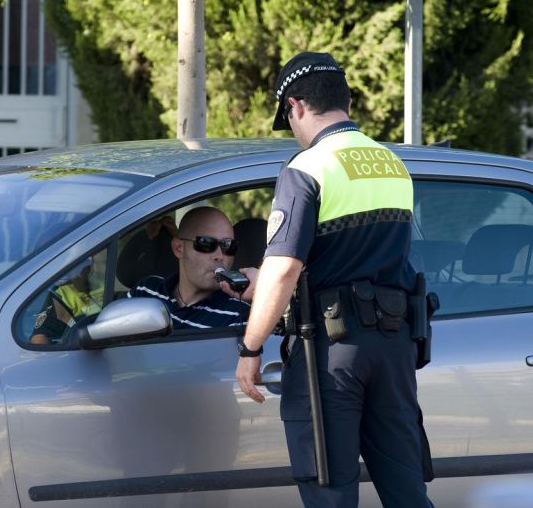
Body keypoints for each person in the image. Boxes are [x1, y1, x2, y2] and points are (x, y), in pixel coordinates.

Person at [236, 52, 434, 507]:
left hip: (332, 351)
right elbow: (359, 252)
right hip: (395, 344)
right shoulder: (391, 164)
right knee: (406, 489)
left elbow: (286, 268)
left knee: (330, 492)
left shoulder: (306, 169)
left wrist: (251, 348)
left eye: (288, 118)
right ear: (346, 100)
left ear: (296, 106)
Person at [128, 206, 255, 329]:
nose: (220, 256)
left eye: (228, 245)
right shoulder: (146, 291)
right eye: (206, 243)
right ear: (178, 248)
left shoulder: (238, 315)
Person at [30, 257, 104, 344]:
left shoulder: (107, 281)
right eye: (73, 265)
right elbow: (39, 339)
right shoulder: (61, 294)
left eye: (83, 263)